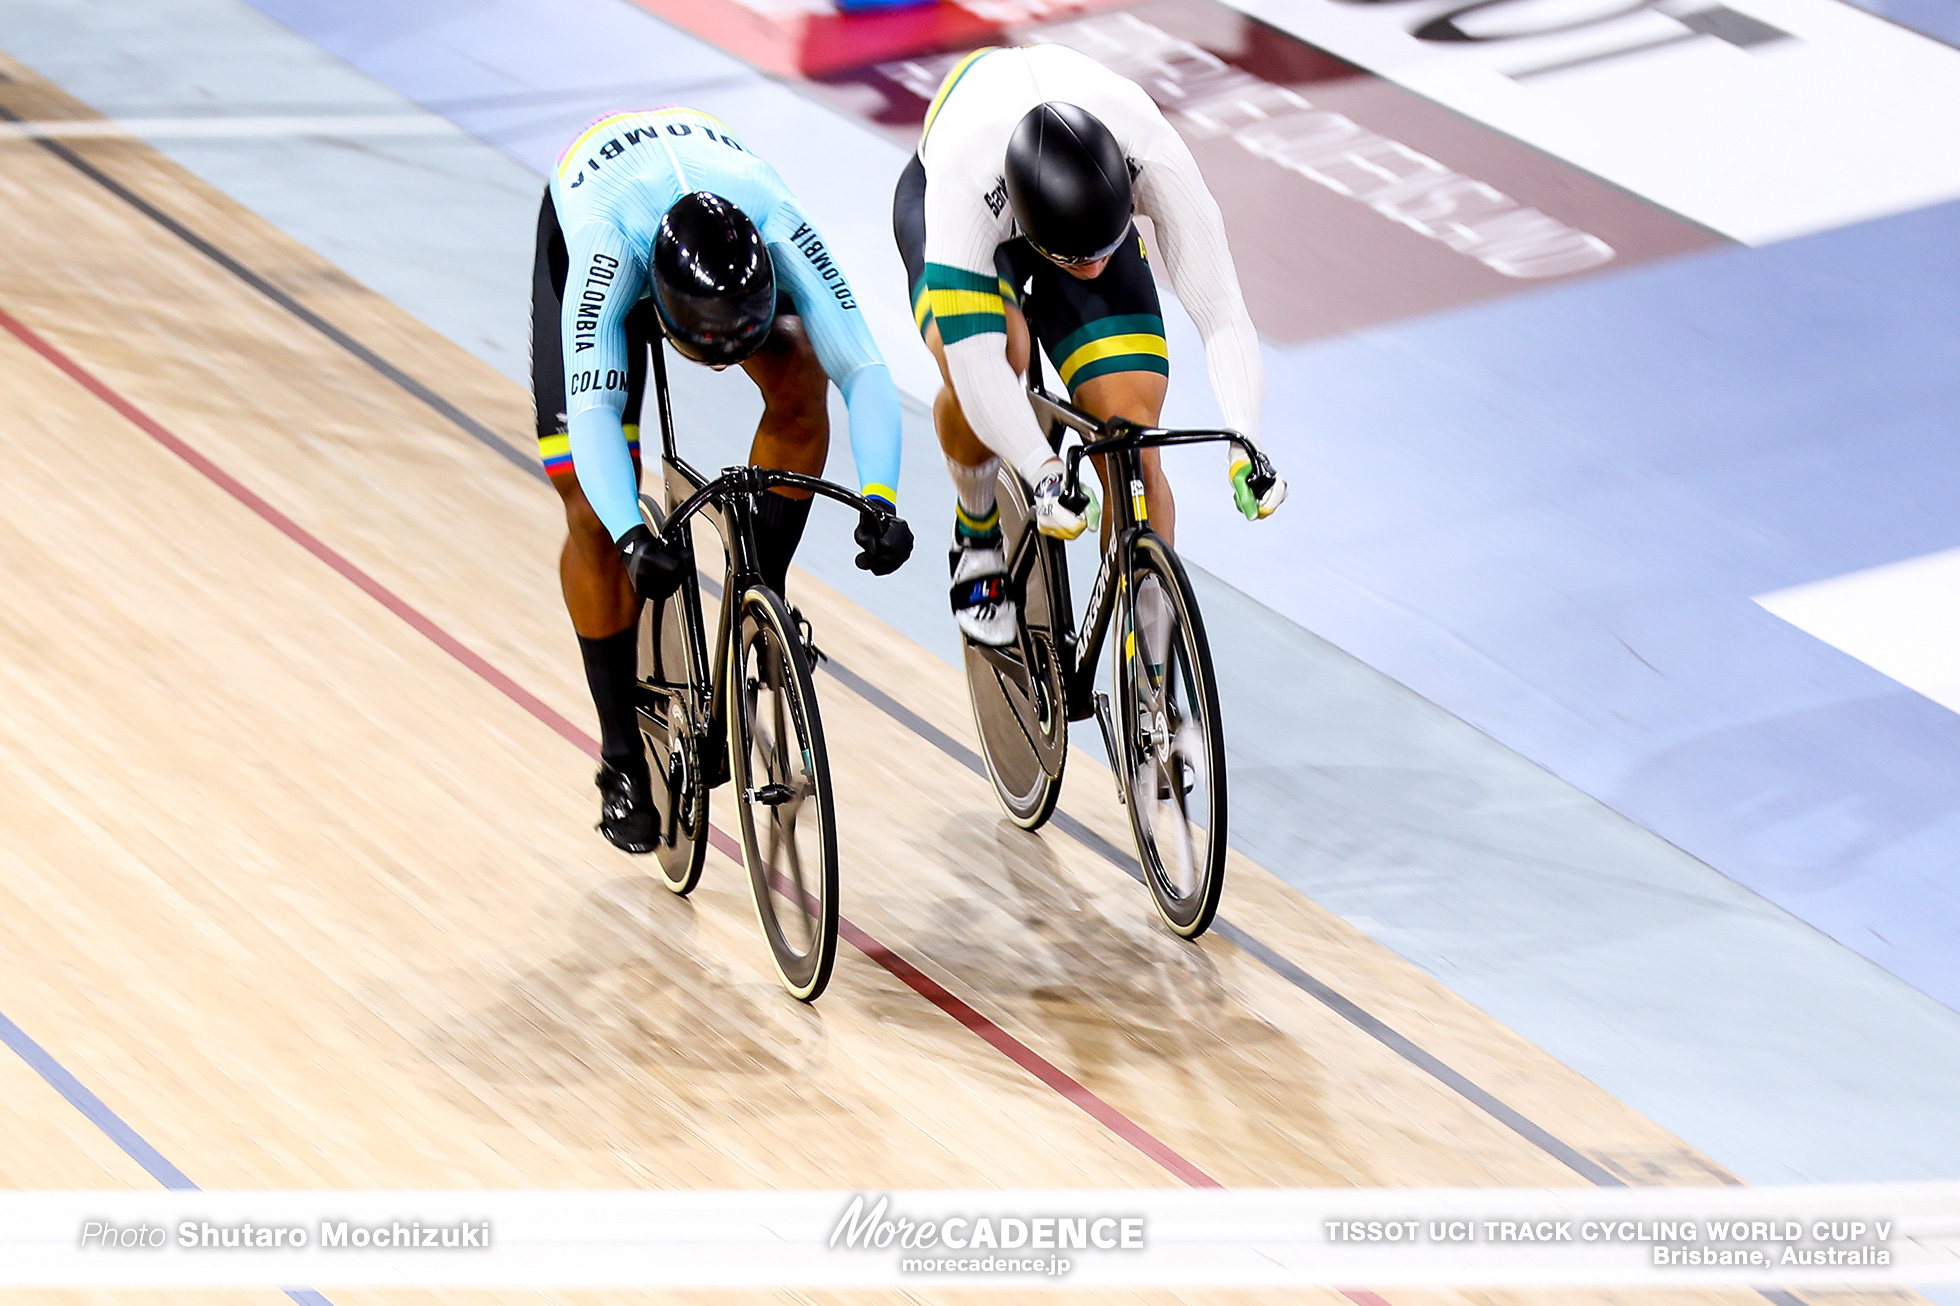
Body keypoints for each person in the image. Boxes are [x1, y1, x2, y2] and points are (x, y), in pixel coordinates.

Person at [535, 106, 914, 853]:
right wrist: (632, 533)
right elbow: (593, 416)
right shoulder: (608, 254)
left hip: (715, 217)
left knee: (800, 383)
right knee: (586, 506)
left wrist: (882, 497)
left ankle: (753, 599)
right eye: (704, 348)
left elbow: (865, 371)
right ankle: (618, 761)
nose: (719, 360)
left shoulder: (778, 225)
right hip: (594, 199)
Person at [892, 44, 1286, 646]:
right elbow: (976, 366)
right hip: (961, 214)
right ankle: (976, 530)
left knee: (1132, 442)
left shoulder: (1149, 147)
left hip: (1072, 206)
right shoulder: (961, 190)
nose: (1097, 269)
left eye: (1107, 250)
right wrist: (1042, 470)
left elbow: (1223, 311)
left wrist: (1247, 439)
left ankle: (1153, 690)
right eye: (1081, 260)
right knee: (1004, 353)